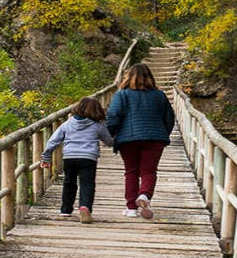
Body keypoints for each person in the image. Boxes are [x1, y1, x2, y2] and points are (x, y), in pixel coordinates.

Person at [107, 63, 175, 219]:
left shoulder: (121, 95)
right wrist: (163, 134)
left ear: (128, 77)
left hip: (128, 139)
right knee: (149, 171)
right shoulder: (159, 95)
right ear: (150, 77)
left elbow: (113, 116)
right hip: (155, 139)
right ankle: (144, 195)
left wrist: (110, 135)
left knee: (131, 171)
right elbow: (169, 118)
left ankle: (131, 208)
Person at [41, 96, 113, 224]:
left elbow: (53, 140)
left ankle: (66, 209)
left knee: (69, 182)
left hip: (70, 157)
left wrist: (46, 156)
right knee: (87, 183)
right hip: (88, 158)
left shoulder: (67, 124)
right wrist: (116, 141)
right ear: (97, 110)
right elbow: (109, 141)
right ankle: (85, 206)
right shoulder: (98, 126)